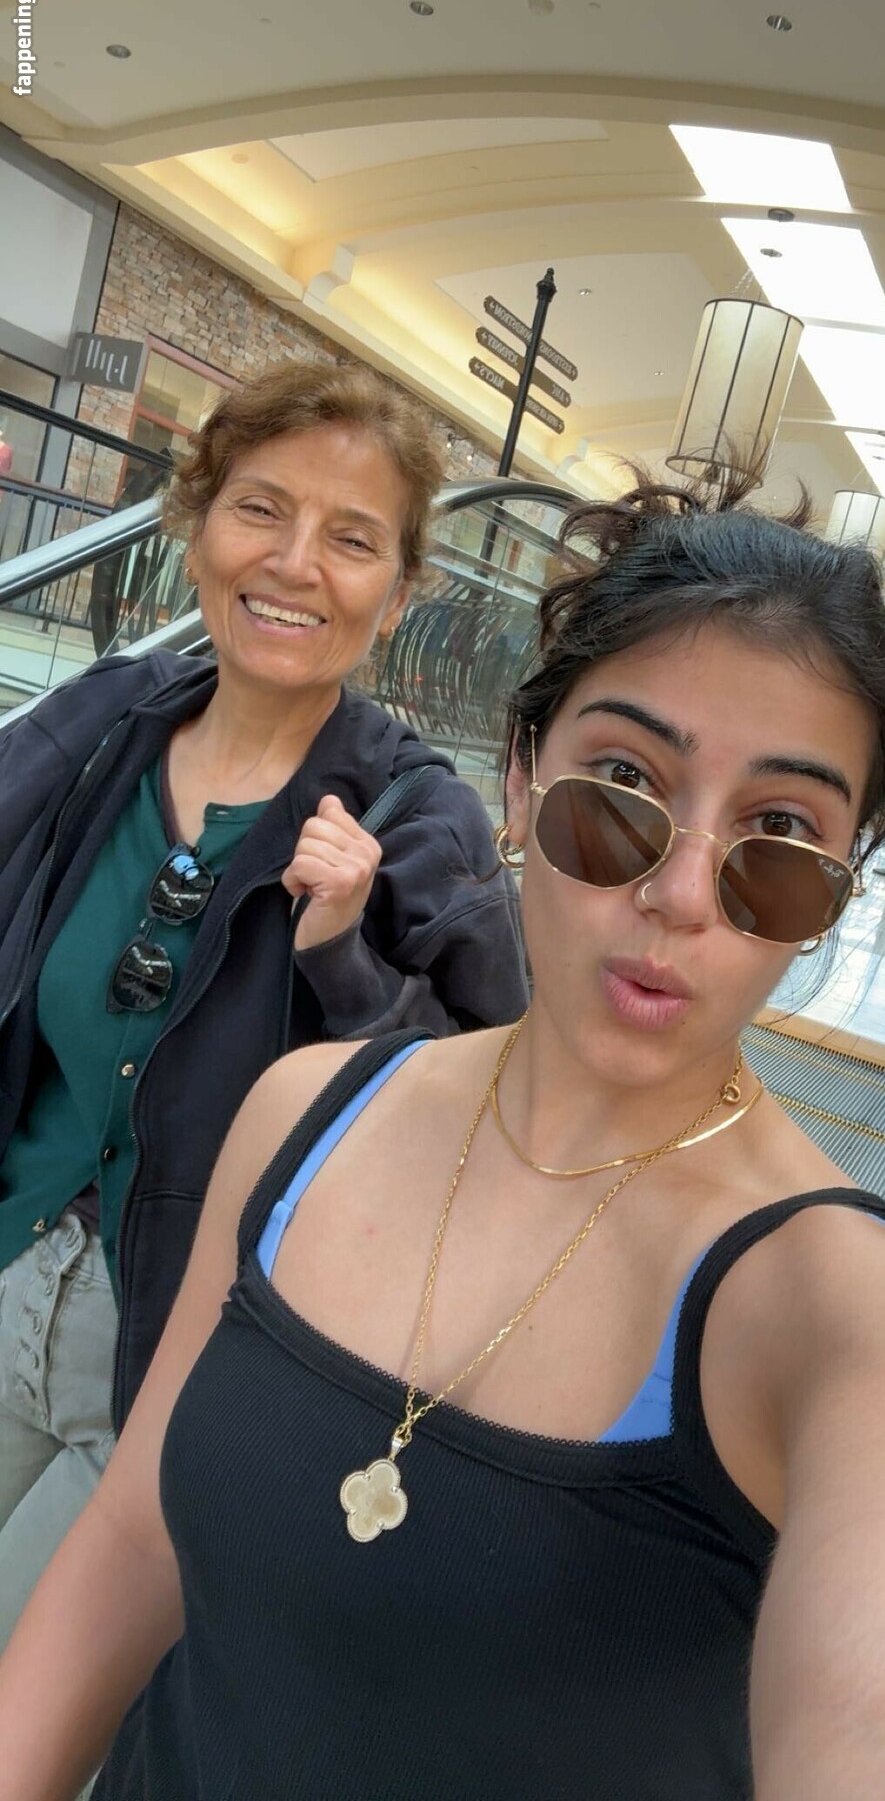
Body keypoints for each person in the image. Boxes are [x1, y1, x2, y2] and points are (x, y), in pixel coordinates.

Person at [2, 465, 885, 1801]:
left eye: (780, 836)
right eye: (622, 784)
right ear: (518, 782)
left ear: (838, 892)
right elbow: (136, 1539)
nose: (682, 892)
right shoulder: (302, 1116)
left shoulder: (853, 1320)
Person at [0, 361, 528, 1650]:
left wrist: (345, 958)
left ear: (400, 592)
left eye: (352, 539)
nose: (294, 564)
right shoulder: (98, 733)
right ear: (196, 529)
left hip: (189, 1353)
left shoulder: (419, 826)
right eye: (260, 509)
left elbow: (488, 1116)